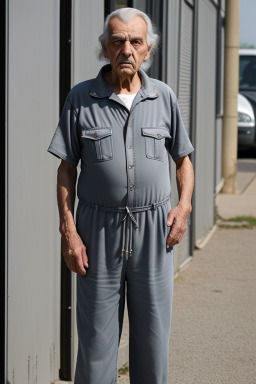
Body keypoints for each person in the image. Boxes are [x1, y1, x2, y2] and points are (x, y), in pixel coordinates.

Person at [48, 7, 194, 384]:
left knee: (153, 340)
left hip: (154, 229)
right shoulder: (81, 98)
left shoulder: (163, 97)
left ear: (148, 50)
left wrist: (184, 205)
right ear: (105, 49)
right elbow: (66, 169)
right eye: (118, 41)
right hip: (98, 232)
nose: (126, 49)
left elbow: (183, 159)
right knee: (96, 343)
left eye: (135, 41)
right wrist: (70, 233)